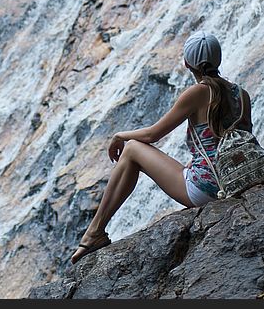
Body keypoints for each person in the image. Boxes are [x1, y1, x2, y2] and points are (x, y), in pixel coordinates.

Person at [70, 30, 253, 264]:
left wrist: (119, 135)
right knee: (140, 150)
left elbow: (153, 134)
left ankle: (94, 233)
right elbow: (238, 141)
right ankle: (94, 233)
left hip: (207, 190)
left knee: (133, 149)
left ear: (187, 63)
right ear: (218, 60)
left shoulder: (197, 92)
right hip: (237, 180)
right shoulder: (242, 94)